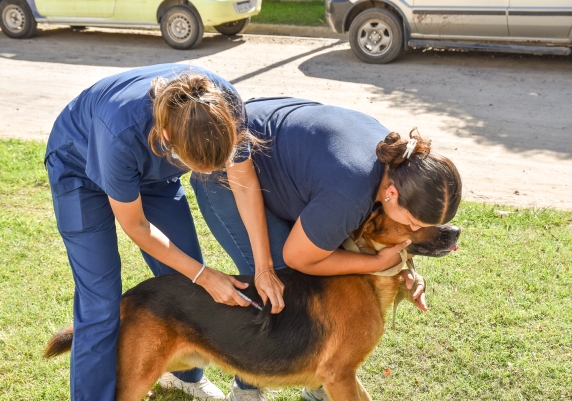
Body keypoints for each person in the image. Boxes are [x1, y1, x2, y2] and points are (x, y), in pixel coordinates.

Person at [191, 97, 463, 401]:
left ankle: (319, 379)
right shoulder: (350, 194)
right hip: (225, 173)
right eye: (414, 223)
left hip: (277, 167)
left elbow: (380, 229)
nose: (416, 230)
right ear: (391, 194)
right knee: (282, 279)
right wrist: (375, 263)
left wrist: (404, 267)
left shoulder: (401, 163)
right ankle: (247, 390)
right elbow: (299, 258)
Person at [44, 64, 284, 401]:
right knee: (100, 301)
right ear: (169, 138)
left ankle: (182, 375)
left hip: (152, 172)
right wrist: (204, 275)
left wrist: (264, 267)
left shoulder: (224, 101)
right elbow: (137, 225)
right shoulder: (120, 134)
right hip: (79, 168)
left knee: (182, 279)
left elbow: (243, 183)